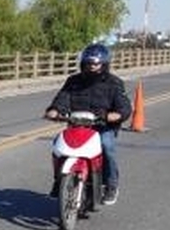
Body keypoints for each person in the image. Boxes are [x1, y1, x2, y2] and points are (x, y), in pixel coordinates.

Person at [45, 43, 133, 206]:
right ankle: (58, 181)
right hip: (77, 125)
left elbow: (124, 107)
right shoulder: (73, 81)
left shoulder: (114, 83)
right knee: (58, 145)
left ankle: (111, 185)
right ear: (83, 63)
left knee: (106, 146)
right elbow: (62, 98)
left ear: (104, 64)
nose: (92, 66)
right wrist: (55, 110)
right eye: (89, 63)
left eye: (96, 63)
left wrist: (114, 115)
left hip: (102, 126)